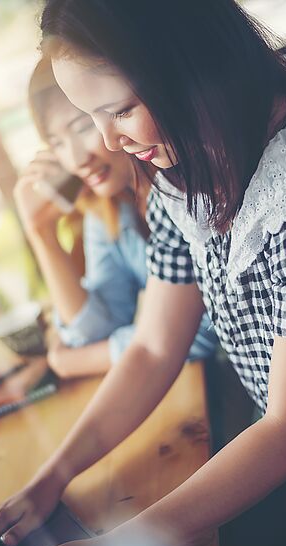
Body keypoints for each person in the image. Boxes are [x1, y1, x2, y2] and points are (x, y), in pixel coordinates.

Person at [0, 1, 286, 546]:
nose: (109, 141)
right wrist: (51, 478)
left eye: (121, 110)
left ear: (192, 65)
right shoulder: (182, 167)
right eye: (95, 116)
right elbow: (153, 345)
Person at [15, 58, 217, 378]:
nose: (77, 159)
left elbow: (201, 331)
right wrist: (41, 232)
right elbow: (98, 326)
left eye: (82, 127)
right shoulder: (108, 210)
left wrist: (76, 362)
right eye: (56, 143)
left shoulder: (187, 190)